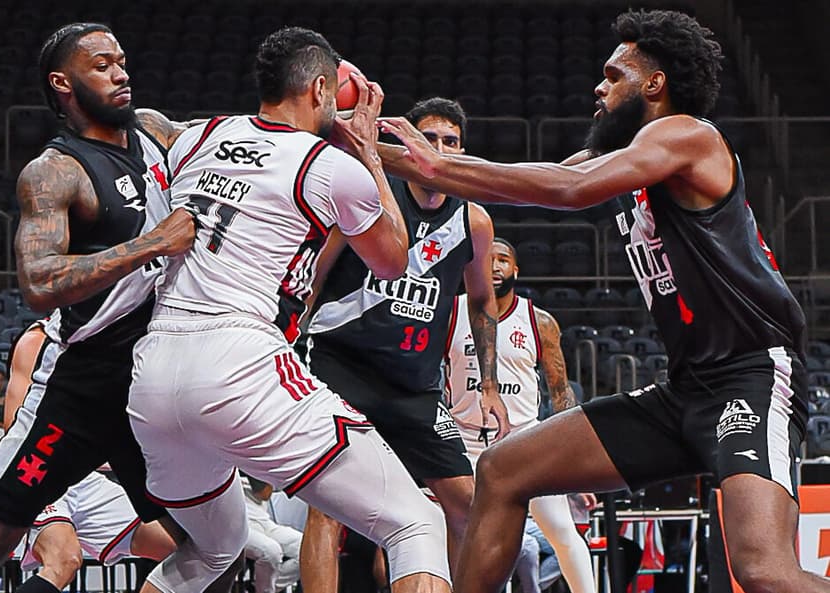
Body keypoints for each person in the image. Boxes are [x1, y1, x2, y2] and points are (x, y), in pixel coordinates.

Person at [376, 9, 819, 593]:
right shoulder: (625, 154)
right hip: (684, 390)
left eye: (614, 76)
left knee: (764, 572)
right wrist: (360, 147)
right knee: (503, 470)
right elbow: (535, 179)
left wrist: (436, 165)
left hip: (752, 376)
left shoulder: (688, 135)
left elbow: (570, 190)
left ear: (654, 83)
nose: (599, 88)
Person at [127, 26, 450, 593]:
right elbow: (393, 261)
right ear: (321, 89)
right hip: (240, 359)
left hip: (153, 377)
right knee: (417, 522)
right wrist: (368, 155)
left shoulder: (197, 137)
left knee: (215, 549)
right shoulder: (329, 165)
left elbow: (151, 125)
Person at [0, 22, 199, 593]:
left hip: (154, 385)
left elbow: (249, 144)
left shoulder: (155, 132)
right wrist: (153, 242)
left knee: (212, 545)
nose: (121, 73)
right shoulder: (55, 171)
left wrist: (342, 133)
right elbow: (40, 281)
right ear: (62, 82)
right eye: (101, 65)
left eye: (121, 61)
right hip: (81, 389)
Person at [302, 97, 506, 590]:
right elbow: (316, 273)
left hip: (414, 386)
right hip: (342, 367)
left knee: (468, 503)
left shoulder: (474, 220)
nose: (439, 148)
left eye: (450, 141)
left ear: (462, 151)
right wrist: (289, 332)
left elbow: (482, 301)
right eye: (428, 137)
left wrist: (489, 385)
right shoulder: (367, 191)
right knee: (327, 507)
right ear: (406, 143)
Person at [444, 238, 596, 593]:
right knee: (462, 536)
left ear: (516, 270)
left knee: (562, 531)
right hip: (465, 440)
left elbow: (561, 394)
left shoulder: (539, 321)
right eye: (488, 258)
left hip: (524, 441)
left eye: (503, 259)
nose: (495, 266)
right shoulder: (450, 314)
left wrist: (578, 460)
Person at [4, 323, 176, 593]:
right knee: (64, 560)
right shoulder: (36, 340)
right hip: (38, 469)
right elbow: (13, 426)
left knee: (184, 547)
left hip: (84, 479)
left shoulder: (107, 342)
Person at [242, 476, 302, 593]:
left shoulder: (255, 466)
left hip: (263, 520)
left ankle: (262, 587)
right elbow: (264, 493)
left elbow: (265, 494)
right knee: (271, 551)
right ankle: (264, 587)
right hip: (239, 525)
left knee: (304, 547)